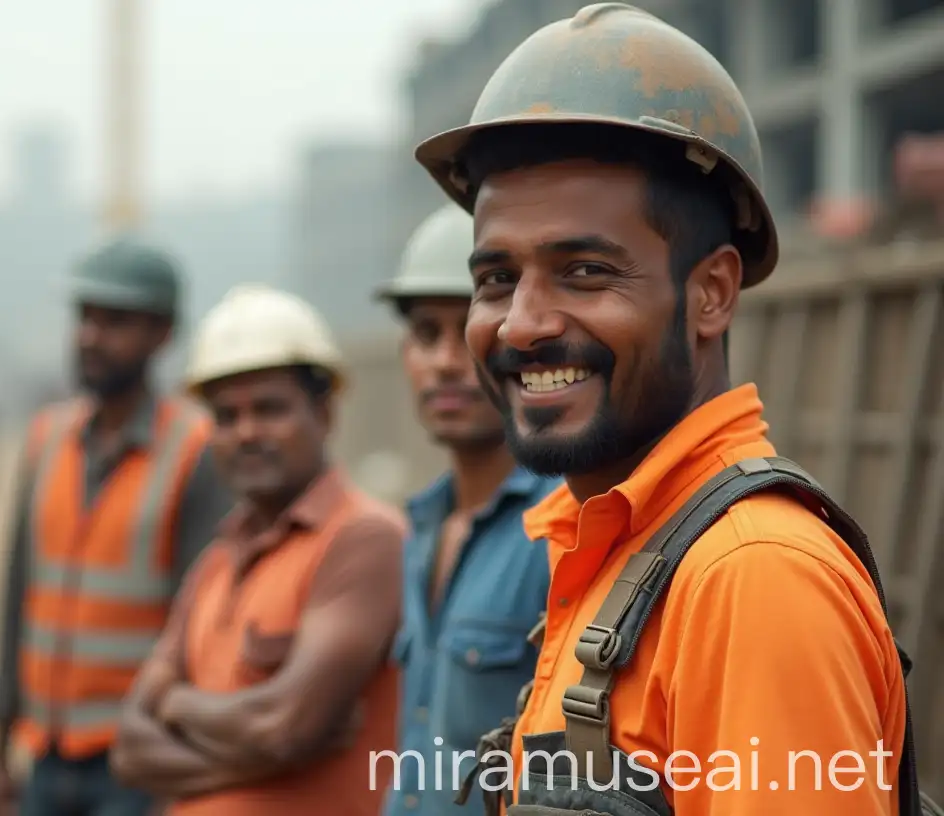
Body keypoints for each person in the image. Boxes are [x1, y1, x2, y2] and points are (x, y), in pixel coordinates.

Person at [412, 5, 931, 816]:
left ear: (711, 292)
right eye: (496, 279)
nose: (521, 323)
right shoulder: (607, 544)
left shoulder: (752, 580)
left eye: (584, 271)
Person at [109, 284, 406, 816]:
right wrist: (252, 750)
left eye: (269, 409)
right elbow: (130, 749)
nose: (246, 432)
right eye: (226, 416)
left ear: (325, 413)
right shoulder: (217, 562)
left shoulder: (364, 539)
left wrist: (173, 703)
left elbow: (282, 727)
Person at [0, 236, 233, 816]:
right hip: (44, 754)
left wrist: (178, 772)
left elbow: (200, 628)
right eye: (85, 317)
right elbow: (17, 599)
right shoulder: (46, 440)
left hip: (135, 767)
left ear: (163, 334)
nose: (90, 336)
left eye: (114, 321)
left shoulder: (196, 451)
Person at [372, 205, 560, 816]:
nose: (446, 361)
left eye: (468, 329)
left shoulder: (562, 527)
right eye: (426, 334)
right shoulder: (423, 528)